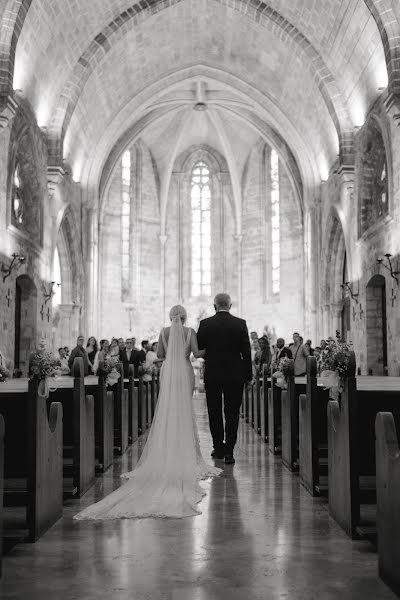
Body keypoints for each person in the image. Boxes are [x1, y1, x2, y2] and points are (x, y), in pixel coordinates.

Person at [73, 304, 221, 521]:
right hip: (185, 372)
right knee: (184, 409)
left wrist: (168, 357)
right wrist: (213, 348)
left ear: (171, 317)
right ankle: (185, 449)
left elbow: (159, 355)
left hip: (169, 372)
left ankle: (168, 446)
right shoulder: (190, 332)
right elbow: (197, 354)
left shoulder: (163, 332)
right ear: (185, 317)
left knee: (168, 408)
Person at [197, 292, 252, 465]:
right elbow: (246, 353)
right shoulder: (240, 324)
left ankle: (218, 448)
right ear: (230, 305)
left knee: (214, 412)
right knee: (232, 413)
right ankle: (229, 452)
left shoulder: (205, 324)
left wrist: (212, 356)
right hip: (235, 375)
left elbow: (199, 348)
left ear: (214, 306)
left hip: (213, 374)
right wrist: (248, 376)